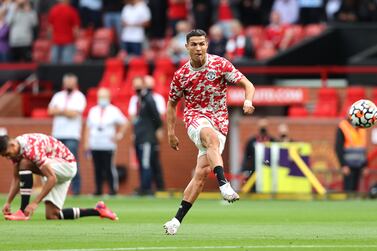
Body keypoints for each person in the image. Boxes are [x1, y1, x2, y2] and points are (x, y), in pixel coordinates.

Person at [163, 29, 255, 235]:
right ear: (186, 47)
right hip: (195, 117)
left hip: (220, 119)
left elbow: (247, 84)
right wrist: (171, 132)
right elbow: (171, 104)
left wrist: (247, 101)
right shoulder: (181, 75)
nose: (198, 48)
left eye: (202, 44)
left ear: (207, 45)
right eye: (194, 44)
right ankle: (224, 184)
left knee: (202, 173)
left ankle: (176, 221)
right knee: (209, 138)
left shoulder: (219, 64)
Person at [0, 133, 118, 221]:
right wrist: (8, 202)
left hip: (66, 166)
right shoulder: (16, 150)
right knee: (53, 215)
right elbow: (17, 178)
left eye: (7, 154)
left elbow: (52, 178)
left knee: (25, 164)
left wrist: (35, 203)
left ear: (12, 144)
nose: (8, 157)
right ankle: (98, 210)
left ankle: (22, 211)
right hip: (54, 168)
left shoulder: (31, 149)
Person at [84, 87, 128, 196]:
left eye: (104, 96)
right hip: (95, 143)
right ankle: (98, 190)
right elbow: (88, 127)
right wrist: (86, 143)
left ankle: (113, 190)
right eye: (100, 97)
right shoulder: (93, 110)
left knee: (109, 167)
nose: (102, 99)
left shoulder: (114, 110)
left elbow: (125, 122)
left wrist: (119, 135)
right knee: (97, 168)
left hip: (108, 144)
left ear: (108, 97)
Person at [48, 73, 86, 195]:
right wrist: (66, 111)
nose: (69, 84)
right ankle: (56, 189)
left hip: (72, 135)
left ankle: (76, 190)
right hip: (57, 134)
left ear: (75, 83)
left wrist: (60, 111)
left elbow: (74, 114)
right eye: (67, 82)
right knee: (55, 163)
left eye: (71, 82)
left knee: (72, 163)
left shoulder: (79, 96)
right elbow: (50, 110)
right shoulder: (58, 96)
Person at [128, 76, 164, 195]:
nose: (137, 87)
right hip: (139, 136)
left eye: (139, 85)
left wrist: (157, 129)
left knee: (146, 163)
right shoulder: (139, 99)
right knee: (142, 163)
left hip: (147, 137)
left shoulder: (148, 98)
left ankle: (146, 188)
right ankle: (143, 187)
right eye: (135, 85)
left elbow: (157, 116)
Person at [335, 118, 368, 193]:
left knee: (355, 190)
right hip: (348, 166)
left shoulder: (362, 128)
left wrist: (365, 165)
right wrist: (343, 165)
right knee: (348, 190)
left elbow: (363, 149)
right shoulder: (343, 127)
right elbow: (338, 148)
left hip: (359, 165)